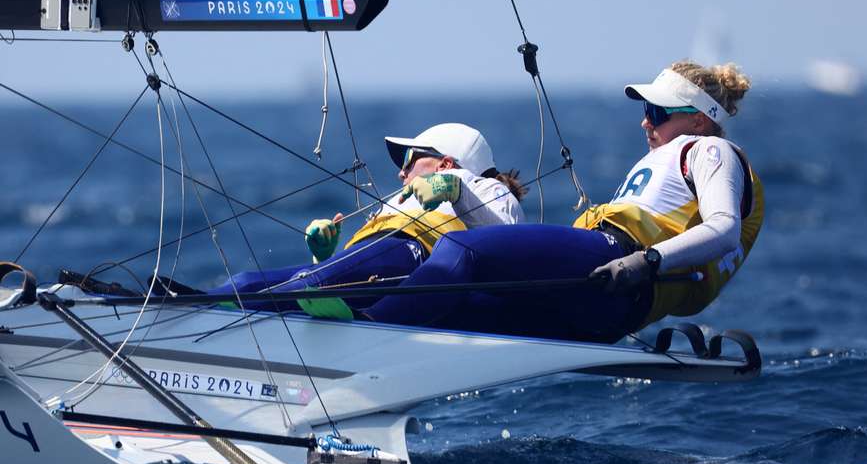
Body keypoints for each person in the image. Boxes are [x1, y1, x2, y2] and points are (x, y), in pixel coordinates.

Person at [362, 61, 764, 342]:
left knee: (461, 249)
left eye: (657, 111)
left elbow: (724, 229)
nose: (645, 121)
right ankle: (349, 334)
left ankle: (365, 330)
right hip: (605, 296)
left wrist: (646, 261)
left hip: (623, 269)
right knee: (464, 304)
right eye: (646, 110)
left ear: (698, 119)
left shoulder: (710, 150)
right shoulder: (671, 154)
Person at [200, 123, 527, 313]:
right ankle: (193, 307)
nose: (401, 172)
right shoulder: (402, 198)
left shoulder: (481, 187)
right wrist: (323, 255)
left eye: (411, 159)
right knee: (245, 282)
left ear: (444, 164)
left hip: (412, 256)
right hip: (379, 258)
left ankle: (198, 311)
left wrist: (456, 191)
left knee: (309, 286)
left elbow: (506, 247)